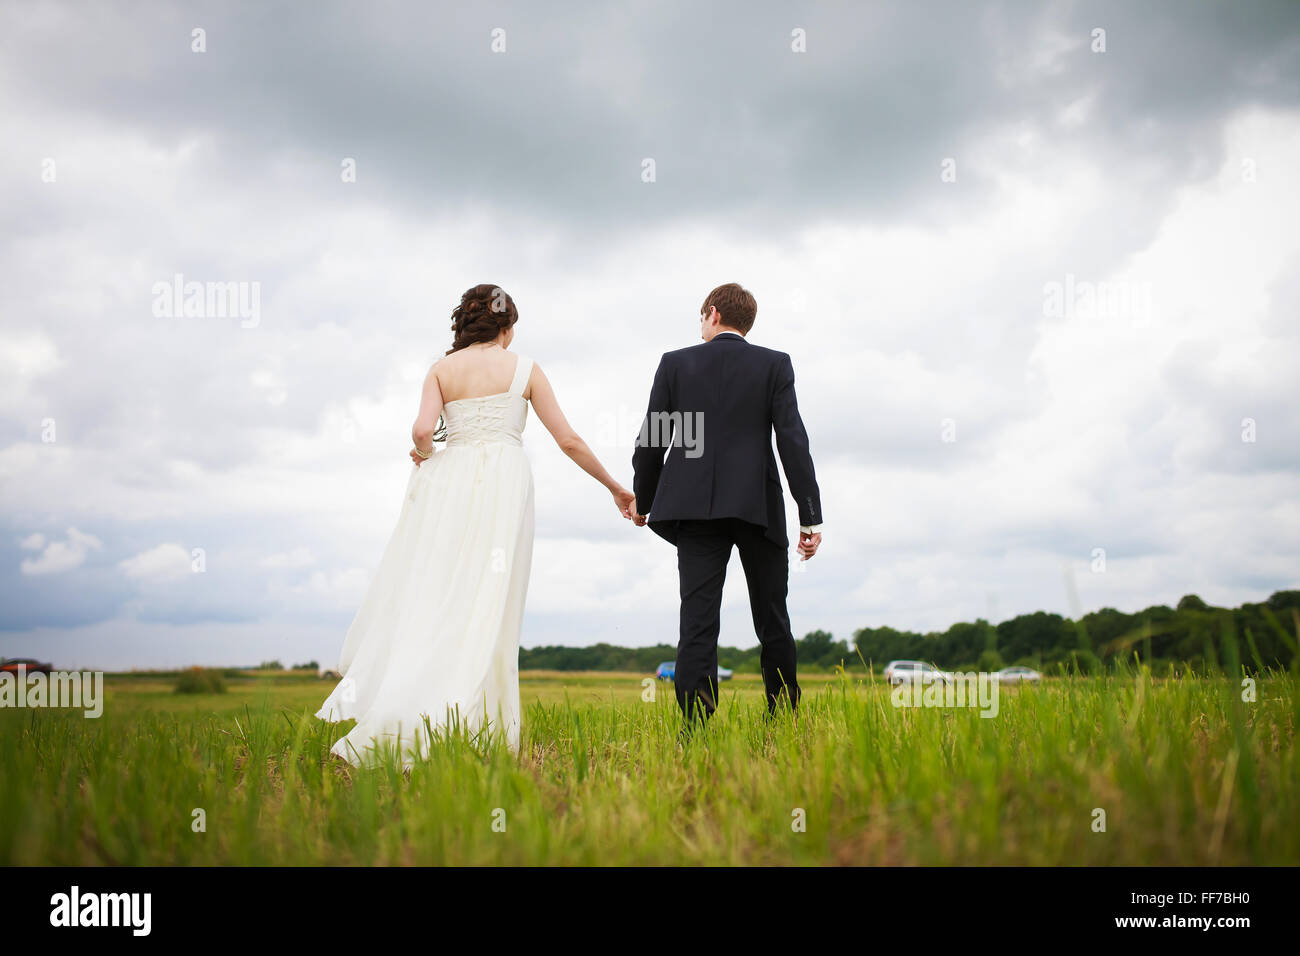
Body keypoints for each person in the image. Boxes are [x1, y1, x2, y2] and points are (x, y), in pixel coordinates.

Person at [316, 283, 634, 766]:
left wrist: (425, 455)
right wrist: (615, 486)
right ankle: (479, 726)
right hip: (504, 483)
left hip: (451, 483)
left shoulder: (442, 369)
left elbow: (424, 432)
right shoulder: (525, 369)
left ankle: (412, 710)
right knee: (492, 601)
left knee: (438, 593)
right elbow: (567, 439)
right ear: (507, 327)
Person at [630, 283, 823, 730]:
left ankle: (695, 726)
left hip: (694, 512)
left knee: (697, 621)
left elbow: (653, 441)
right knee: (773, 616)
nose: (700, 327)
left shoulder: (675, 364)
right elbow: (793, 440)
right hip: (759, 506)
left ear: (712, 314)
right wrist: (809, 513)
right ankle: (783, 719)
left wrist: (645, 498)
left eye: (701, 318)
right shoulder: (774, 364)